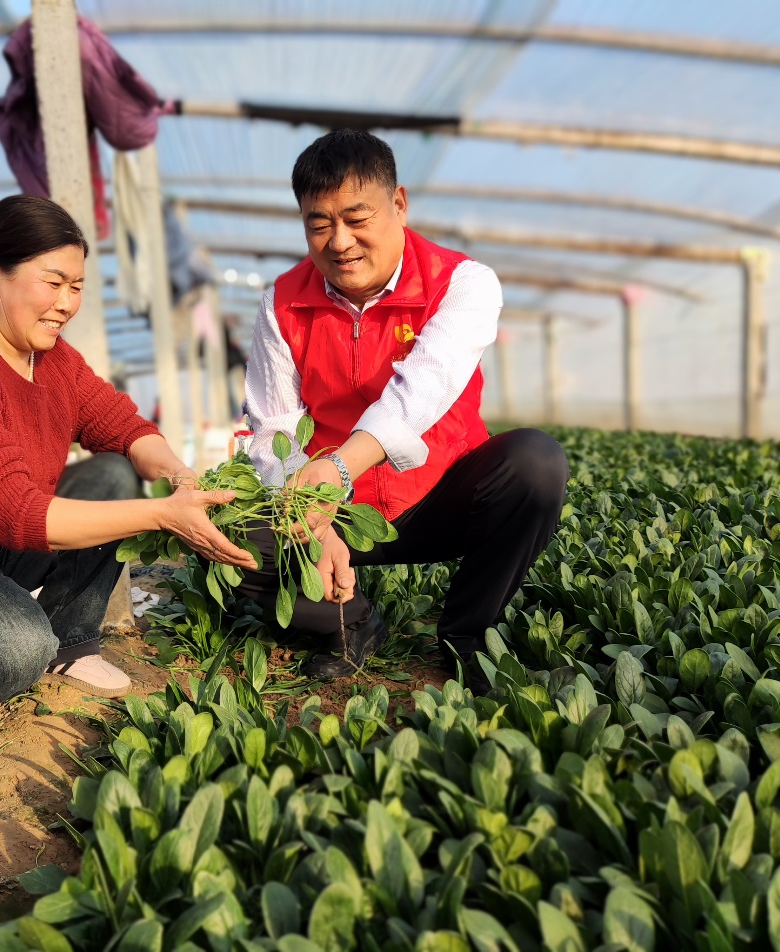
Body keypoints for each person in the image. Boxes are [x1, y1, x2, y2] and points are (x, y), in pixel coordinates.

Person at [0, 196, 255, 759]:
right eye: (53, 282)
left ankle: (72, 639)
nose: (66, 304)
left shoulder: (53, 359)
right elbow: (15, 512)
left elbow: (122, 427)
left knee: (112, 475)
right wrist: (161, 515)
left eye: (78, 287)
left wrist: (178, 476)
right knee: (15, 649)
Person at [240, 130, 569, 690]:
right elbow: (272, 429)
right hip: (335, 509)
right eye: (318, 224)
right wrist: (310, 516)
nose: (339, 241)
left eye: (356, 218)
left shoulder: (463, 283)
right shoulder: (282, 302)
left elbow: (423, 388)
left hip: (438, 497)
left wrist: (340, 466)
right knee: (229, 537)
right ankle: (352, 622)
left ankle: (468, 633)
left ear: (399, 204)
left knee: (535, 463)